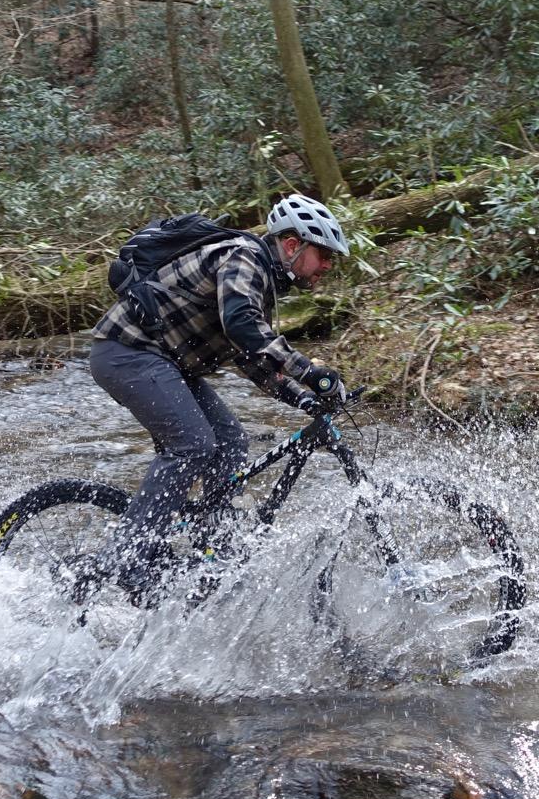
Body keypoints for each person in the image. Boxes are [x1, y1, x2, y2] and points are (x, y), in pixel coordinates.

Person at [89, 192, 349, 601]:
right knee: (192, 444)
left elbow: (248, 356)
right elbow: (243, 326)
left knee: (230, 441)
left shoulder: (260, 281)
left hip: (167, 362)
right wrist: (310, 373)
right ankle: (129, 555)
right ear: (293, 245)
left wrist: (302, 398)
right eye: (324, 254)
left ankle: (214, 544)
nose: (328, 266)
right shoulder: (244, 256)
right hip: (127, 352)